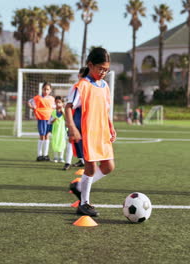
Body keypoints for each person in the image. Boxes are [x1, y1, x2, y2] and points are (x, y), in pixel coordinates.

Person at [65, 47, 116, 217]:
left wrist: (111, 126)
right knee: (91, 167)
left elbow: (106, 109)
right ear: (90, 65)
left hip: (102, 132)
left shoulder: (105, 86)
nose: (103, 72)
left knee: (109, 167)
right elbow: (68, 107)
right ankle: (84, 203)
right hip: (88, 132)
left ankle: (79, 187)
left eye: (106, 70)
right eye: (100, 68)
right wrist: (71, 127)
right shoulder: (82, 86)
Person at [63, 67, 87, 171]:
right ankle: (67, 162)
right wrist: (69, 121)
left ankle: (83, 160)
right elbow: (70, 104)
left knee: (84, 139)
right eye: (82, 76)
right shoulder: (75, 87)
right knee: (72, 137)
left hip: (86, 115)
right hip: (75, 113)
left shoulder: (89, 86)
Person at [28, 82, 55, 162]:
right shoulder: (38, 98)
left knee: (47, 135)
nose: (46, 91)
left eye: (47, 89)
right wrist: (32, 107)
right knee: (42, 136)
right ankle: (39, 155)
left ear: (50, 90)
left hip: (49, 119)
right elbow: (30, 102)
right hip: (41, 118)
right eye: (44, 89)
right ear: (42, 89)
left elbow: (54, 107)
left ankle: (45, 155)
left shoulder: (52, 99)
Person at [49, 96, 66, 163]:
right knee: (55, 142)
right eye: (56, 103)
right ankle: (55, 157)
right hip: (55, 130)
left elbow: (66, 119)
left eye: (59, 102)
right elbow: (50, 121)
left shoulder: (64, 111)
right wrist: (53, 120)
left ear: (62, 103)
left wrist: (63, 112)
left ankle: (61, 157)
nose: (58, 104)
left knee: (62, 142)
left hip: (62, 130)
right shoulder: (53, 112)